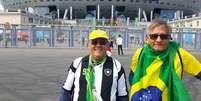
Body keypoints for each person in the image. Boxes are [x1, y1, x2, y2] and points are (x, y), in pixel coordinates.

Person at [129, 20, 201, 101]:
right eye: (154, 36)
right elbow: (132, 78)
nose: (159, 40)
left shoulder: (179, 54)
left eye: (163, 36)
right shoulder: (139, 54)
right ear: (147, 38)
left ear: (169, 38)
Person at [60, 29, 128, 101]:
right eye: (94, 42)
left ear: (107, 45)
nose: (98, 45)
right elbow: (66, 92)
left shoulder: (117, 66)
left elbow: (123, 96)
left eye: (102, 42)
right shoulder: (77, 64)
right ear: (88, 45)